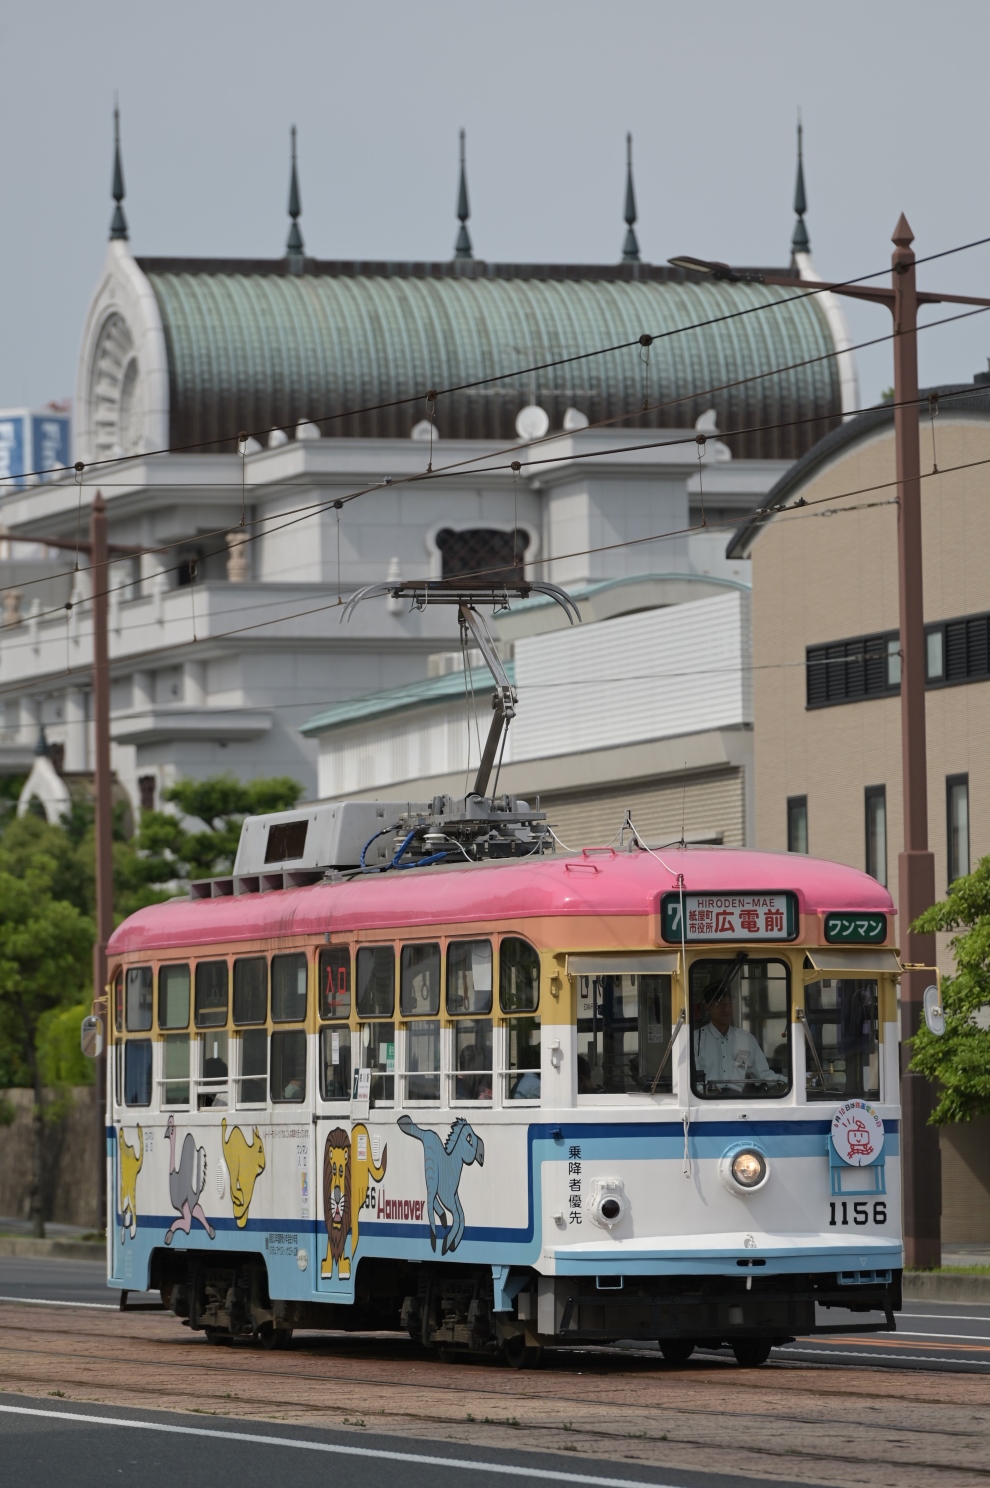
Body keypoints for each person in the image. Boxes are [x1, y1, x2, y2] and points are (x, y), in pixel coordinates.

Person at [693, 984, 785, 1092]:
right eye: (720, 1004)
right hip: (705, 1101)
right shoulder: (695, 1040)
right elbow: (690, 1080)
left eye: (729, 1004)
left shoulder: (746, 1039)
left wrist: (793, 1082)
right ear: (707, 1006)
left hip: (737, 1102)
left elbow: (764, 1074)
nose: (726, 1009)